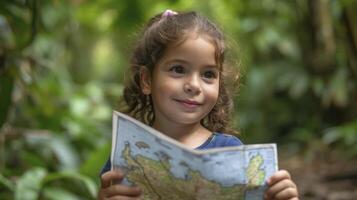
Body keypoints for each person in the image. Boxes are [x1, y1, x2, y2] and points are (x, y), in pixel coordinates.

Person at [98, 10, 299, 200]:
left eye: (208, 74)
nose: (194, 85)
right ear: (147, 80)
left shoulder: (229, 151)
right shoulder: (128, 152)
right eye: (178, 69)